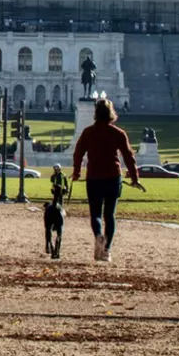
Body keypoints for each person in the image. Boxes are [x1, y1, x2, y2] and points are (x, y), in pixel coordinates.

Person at [72, 98, 141, 262]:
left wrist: (76, 172)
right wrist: (134, 177)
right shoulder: (118, 133)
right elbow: (128, 156)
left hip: (94, 176)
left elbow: (78, 153)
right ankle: (106, 250)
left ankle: (98, 235)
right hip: (112, 176)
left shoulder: (88, 132)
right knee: (110, 215)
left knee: (95, 213)